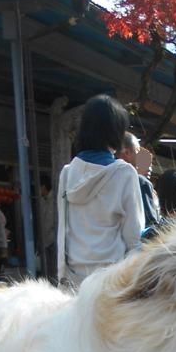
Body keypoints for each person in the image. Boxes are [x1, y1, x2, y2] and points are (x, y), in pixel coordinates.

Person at [57, 94, 144, 285]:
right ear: (116, 131)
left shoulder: (67, 173)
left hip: (74, 279)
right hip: (111, 281)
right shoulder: (124, 173)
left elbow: (63, 230)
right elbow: (134, 238)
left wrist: (61, 275)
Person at [117, 131, 160, 232]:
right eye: (137, 151)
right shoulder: (140, 183)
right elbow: (150, 226)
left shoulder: (100, 177)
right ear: (126, 153)